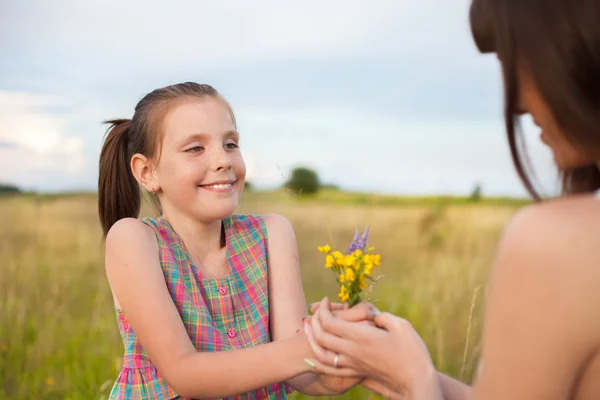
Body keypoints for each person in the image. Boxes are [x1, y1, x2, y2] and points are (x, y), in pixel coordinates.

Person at [305, 0, 600, 399]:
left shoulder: (556, 242)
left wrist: (418, 382)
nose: (516, 103)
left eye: (519, 59)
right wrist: (399, 369)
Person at [98, 82, 369, 399]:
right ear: (147, 173)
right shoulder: (134, 239)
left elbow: (305, 376)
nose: (223, 160)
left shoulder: (272, 234)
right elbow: (184, 374)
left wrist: (345, 345)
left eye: (230, 144)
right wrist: (307, 346)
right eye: (195, 148)